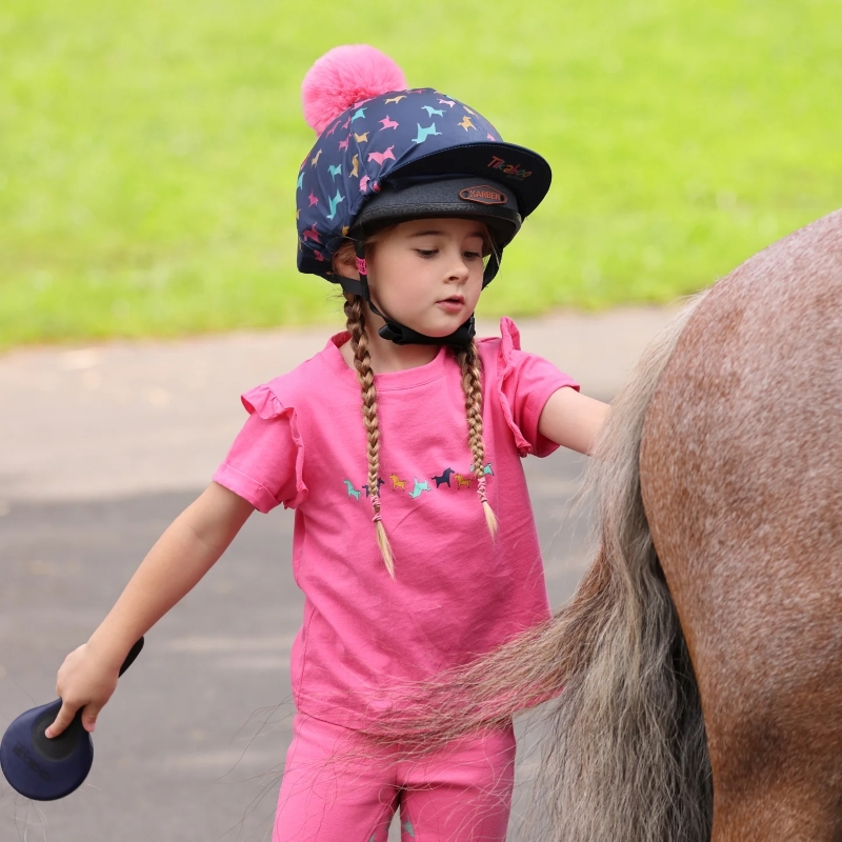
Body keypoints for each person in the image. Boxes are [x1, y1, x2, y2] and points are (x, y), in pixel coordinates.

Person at [46, 44, 609, 841]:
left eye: (475, 252)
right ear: (354, 258)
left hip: (472, 729)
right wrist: (105, 647)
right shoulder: (304, 407)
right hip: (341, 737)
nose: (459, 272)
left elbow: (610, 432)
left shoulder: (505, 377)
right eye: (429, 248)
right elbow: (205, 525)